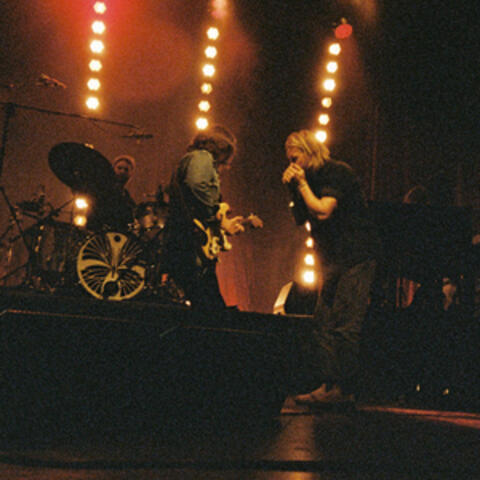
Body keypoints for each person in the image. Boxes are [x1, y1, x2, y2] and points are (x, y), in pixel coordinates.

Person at [281, 129, 383, 407]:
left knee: (345, 323)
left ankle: (344, 389)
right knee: (322, 322)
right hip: (331, 259)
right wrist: (293, 188)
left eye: (295, 157)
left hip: (355, 254)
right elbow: (301, 218)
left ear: (309, 152)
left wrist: (302, 185)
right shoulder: (307, 180)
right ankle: (328, 385)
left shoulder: (336, 172)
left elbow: (323, 210)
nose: (292, 163)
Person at [162, 125, 245, 312]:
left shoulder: (193, 159)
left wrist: (223, 224)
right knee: (210, 306)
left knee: (207, 301)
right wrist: (218, 217)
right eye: (226, 160)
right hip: (189, 243)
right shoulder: (202, 157)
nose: (225, 167)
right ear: (221, 148)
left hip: (187, 242)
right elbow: (197, 185)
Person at [87, 154, 137, 233]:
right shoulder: (102, 189)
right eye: (119, 168)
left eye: (126, 169)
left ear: (130, 174)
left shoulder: (127, 197)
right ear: (112, 169)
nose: (122, 171)